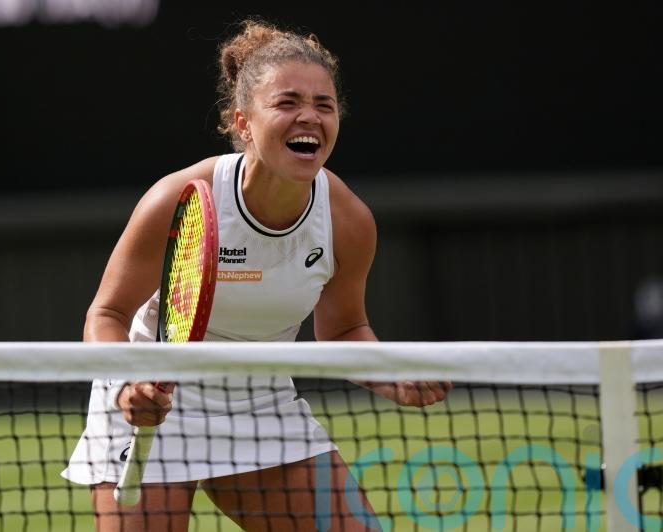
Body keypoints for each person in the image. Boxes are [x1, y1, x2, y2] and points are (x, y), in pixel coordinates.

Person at [62, 19, 452, 531]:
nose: (308, 116)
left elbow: (342, 330)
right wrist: (127, 386)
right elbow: (107, 312)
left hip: (260, 403)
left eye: (323, 105)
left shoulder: (347, 221)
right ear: (243, 123)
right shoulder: (181, 197)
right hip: (156, 402)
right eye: (287, 103)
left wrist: (391, 376)